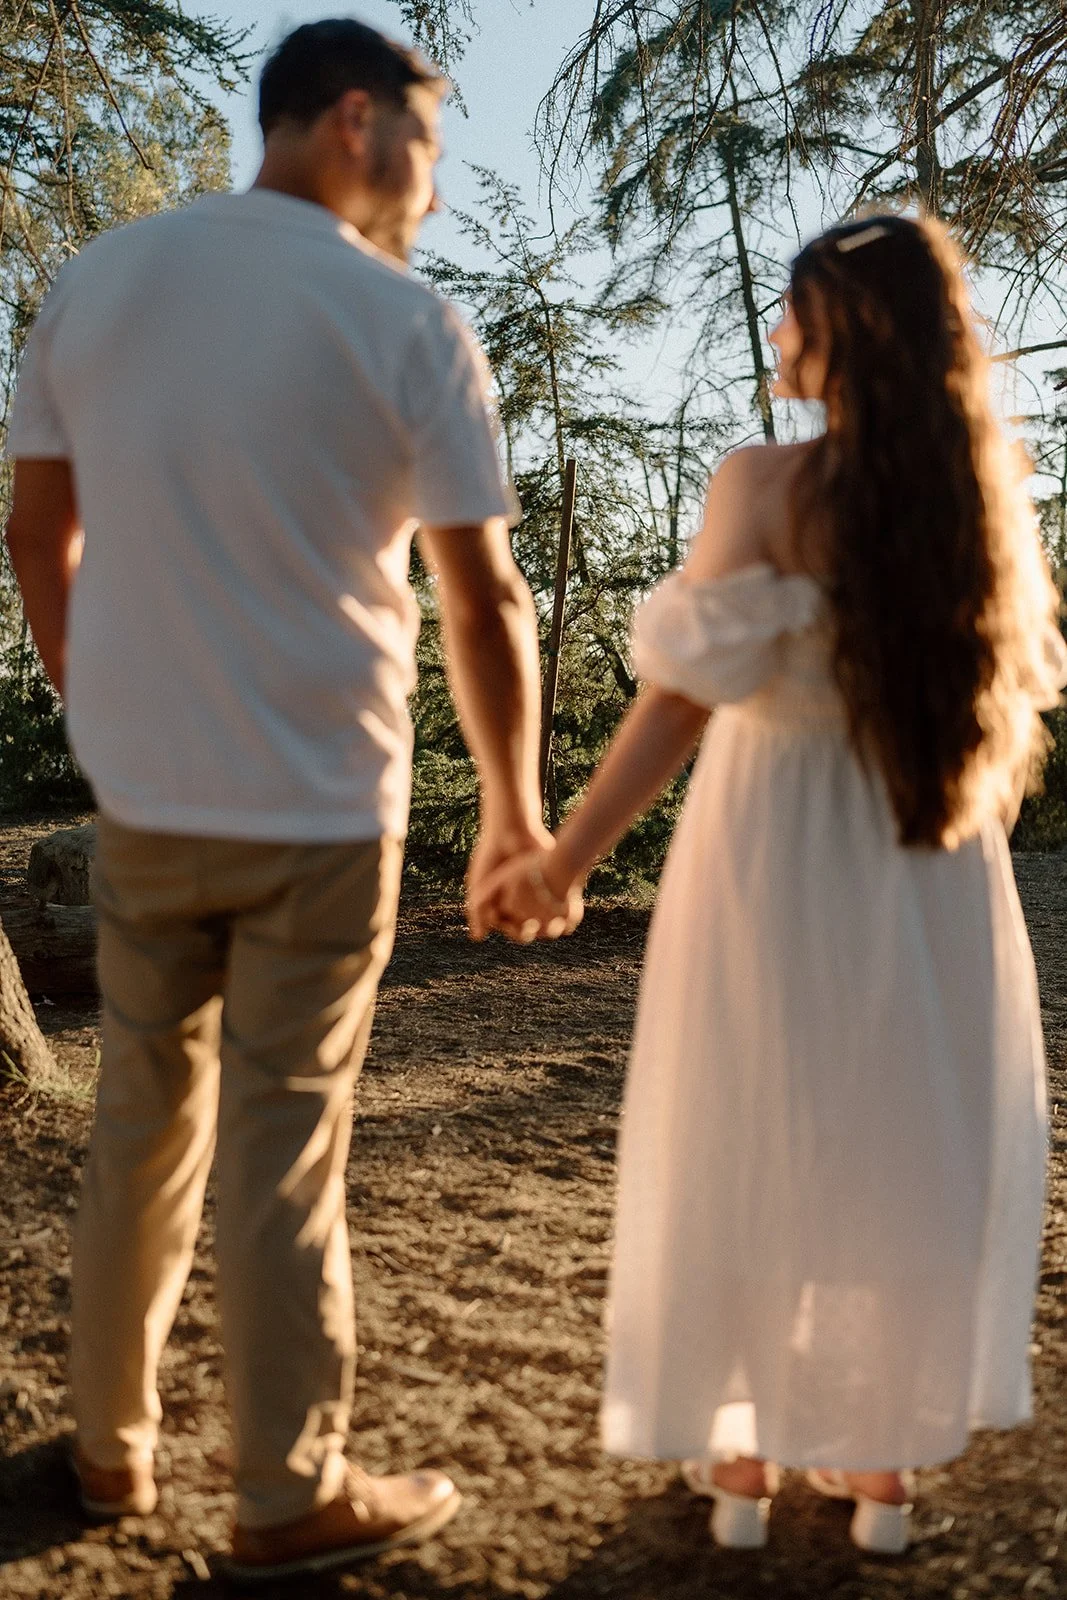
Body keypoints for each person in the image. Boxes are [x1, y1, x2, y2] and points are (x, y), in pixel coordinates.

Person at [5, 17, 554, 1585]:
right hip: (320, 808)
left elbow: (38, 531)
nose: (432, 191)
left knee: (138, 1122)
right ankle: (285, 1490)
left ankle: (110, 1448)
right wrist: (513, 814)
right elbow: (485, 597)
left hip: (148, 802)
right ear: (355, 122)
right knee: (283, 1148)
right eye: (431, 147)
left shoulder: (98, 280)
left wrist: (85, 694)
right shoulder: (402, 316)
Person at [476, 214, 1065, 1555]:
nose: (773, 337)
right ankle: (878, 1466)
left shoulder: (758, 485)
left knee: (751, 1117)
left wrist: (563, 858)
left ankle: (740, 1457)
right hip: (927, 853)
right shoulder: (978, 510)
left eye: (793, 315)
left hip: (772, 844)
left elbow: (678, 703)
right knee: (898, 1130)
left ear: (841, 333)